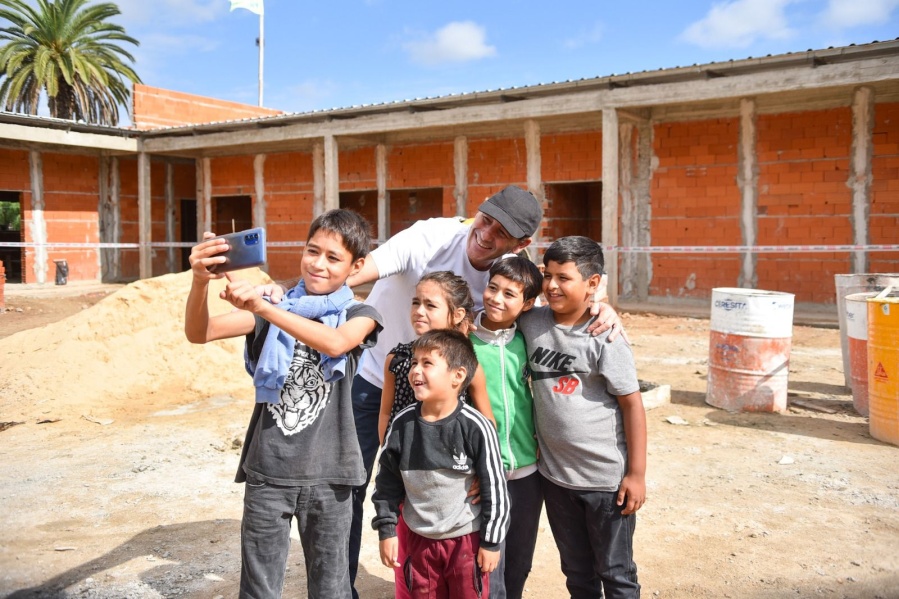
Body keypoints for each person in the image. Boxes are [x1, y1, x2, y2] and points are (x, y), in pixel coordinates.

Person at [184, 209, 383, 599]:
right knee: (259, 590)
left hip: (332, 476)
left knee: (332, 589)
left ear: (356, 266)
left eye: (333, 257)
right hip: (269, 473)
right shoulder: (273, 304)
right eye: (313, 251)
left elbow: (336, 344)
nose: (318, 264)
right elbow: (199, 332)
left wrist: (264, 308)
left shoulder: (360, 314)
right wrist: (199, 281)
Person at [518, 236, 647, 599]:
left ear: (593, 283)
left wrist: (636, 474)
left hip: (605, 483)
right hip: (556, 478)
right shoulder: (531, 322)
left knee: (616, 573)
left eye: (564, 277)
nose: (552, 286)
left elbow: (632, 405)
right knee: (577, 573)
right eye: (548, 275)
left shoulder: (605, 337)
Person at [377, 270, 492, 599]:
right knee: (413, 566)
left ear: (456, 314)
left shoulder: (467, 365)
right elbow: (386, 413)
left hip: (454, 485)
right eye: (416, 302)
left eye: (430, 305)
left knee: (463, 572)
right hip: (411, 479)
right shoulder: (397, 360)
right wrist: (393, 461)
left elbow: (486, 419)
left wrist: (482, 473)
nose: (419, 311)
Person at [469, 256, 544, 599]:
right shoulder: (463, 340)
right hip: (483, 471)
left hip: (527, 470)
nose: (496, 298)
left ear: (527, 304)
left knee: (519, 561)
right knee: (486, 561)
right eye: (492, 288)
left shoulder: (528, 338)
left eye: (509, 294)